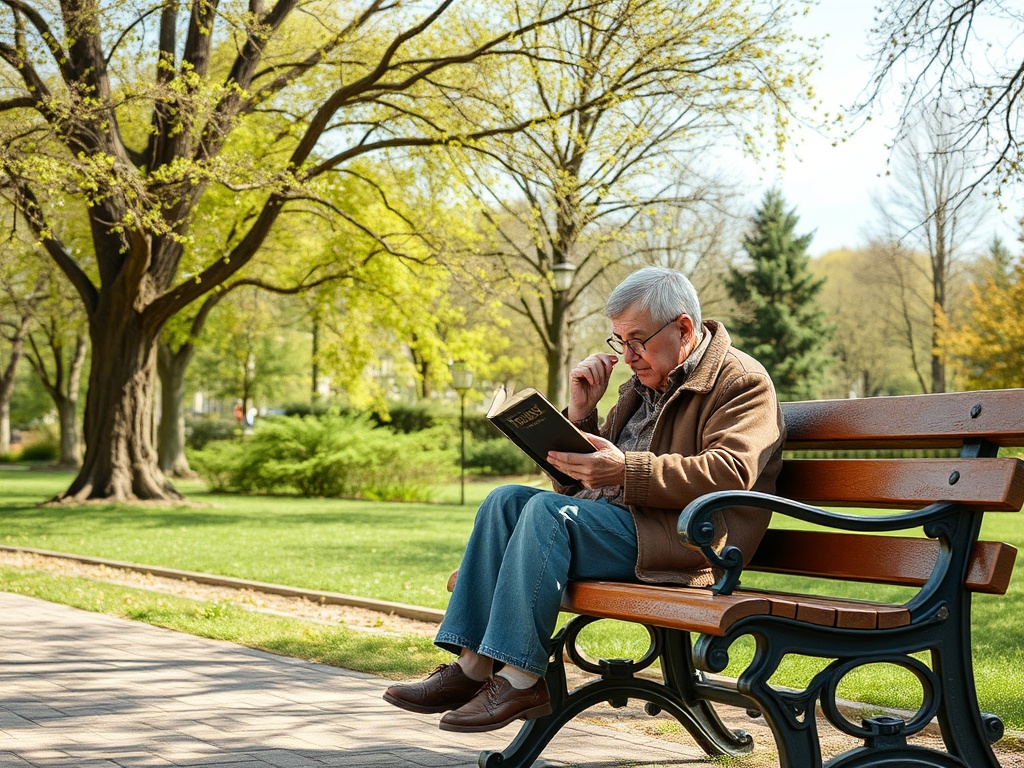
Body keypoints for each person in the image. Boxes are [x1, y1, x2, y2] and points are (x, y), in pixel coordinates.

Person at [383, 266, 785, 733]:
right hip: (623, 527)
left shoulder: (742, 380)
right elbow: (585, 487)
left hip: (688, 541)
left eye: (637, 340)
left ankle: (519, 677)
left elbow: (730, 472)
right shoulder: (641, 388)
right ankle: (472, 668)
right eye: (620, 341)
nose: (629, 355)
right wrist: (581, 414)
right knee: (505, 501)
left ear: (684, 328)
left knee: (541, 513)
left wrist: (625, 469)